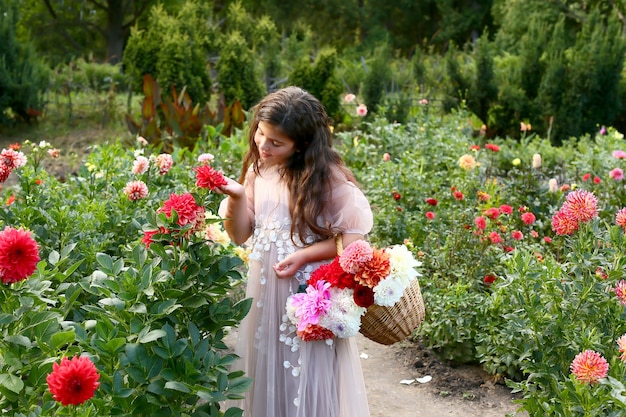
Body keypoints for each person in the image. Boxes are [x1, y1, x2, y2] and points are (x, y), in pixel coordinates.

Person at [218, 86, 373, 417]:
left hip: (307, 294)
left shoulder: (327, 179)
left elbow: (354, 243)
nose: (263, 145)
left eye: (276, 142)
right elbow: (240, 234)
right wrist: (236, 197)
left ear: (301, 144)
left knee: (306, 368)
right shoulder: (260, 168)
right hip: (264, 291)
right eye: (261, 133)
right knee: (266, 362)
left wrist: (304, 255)